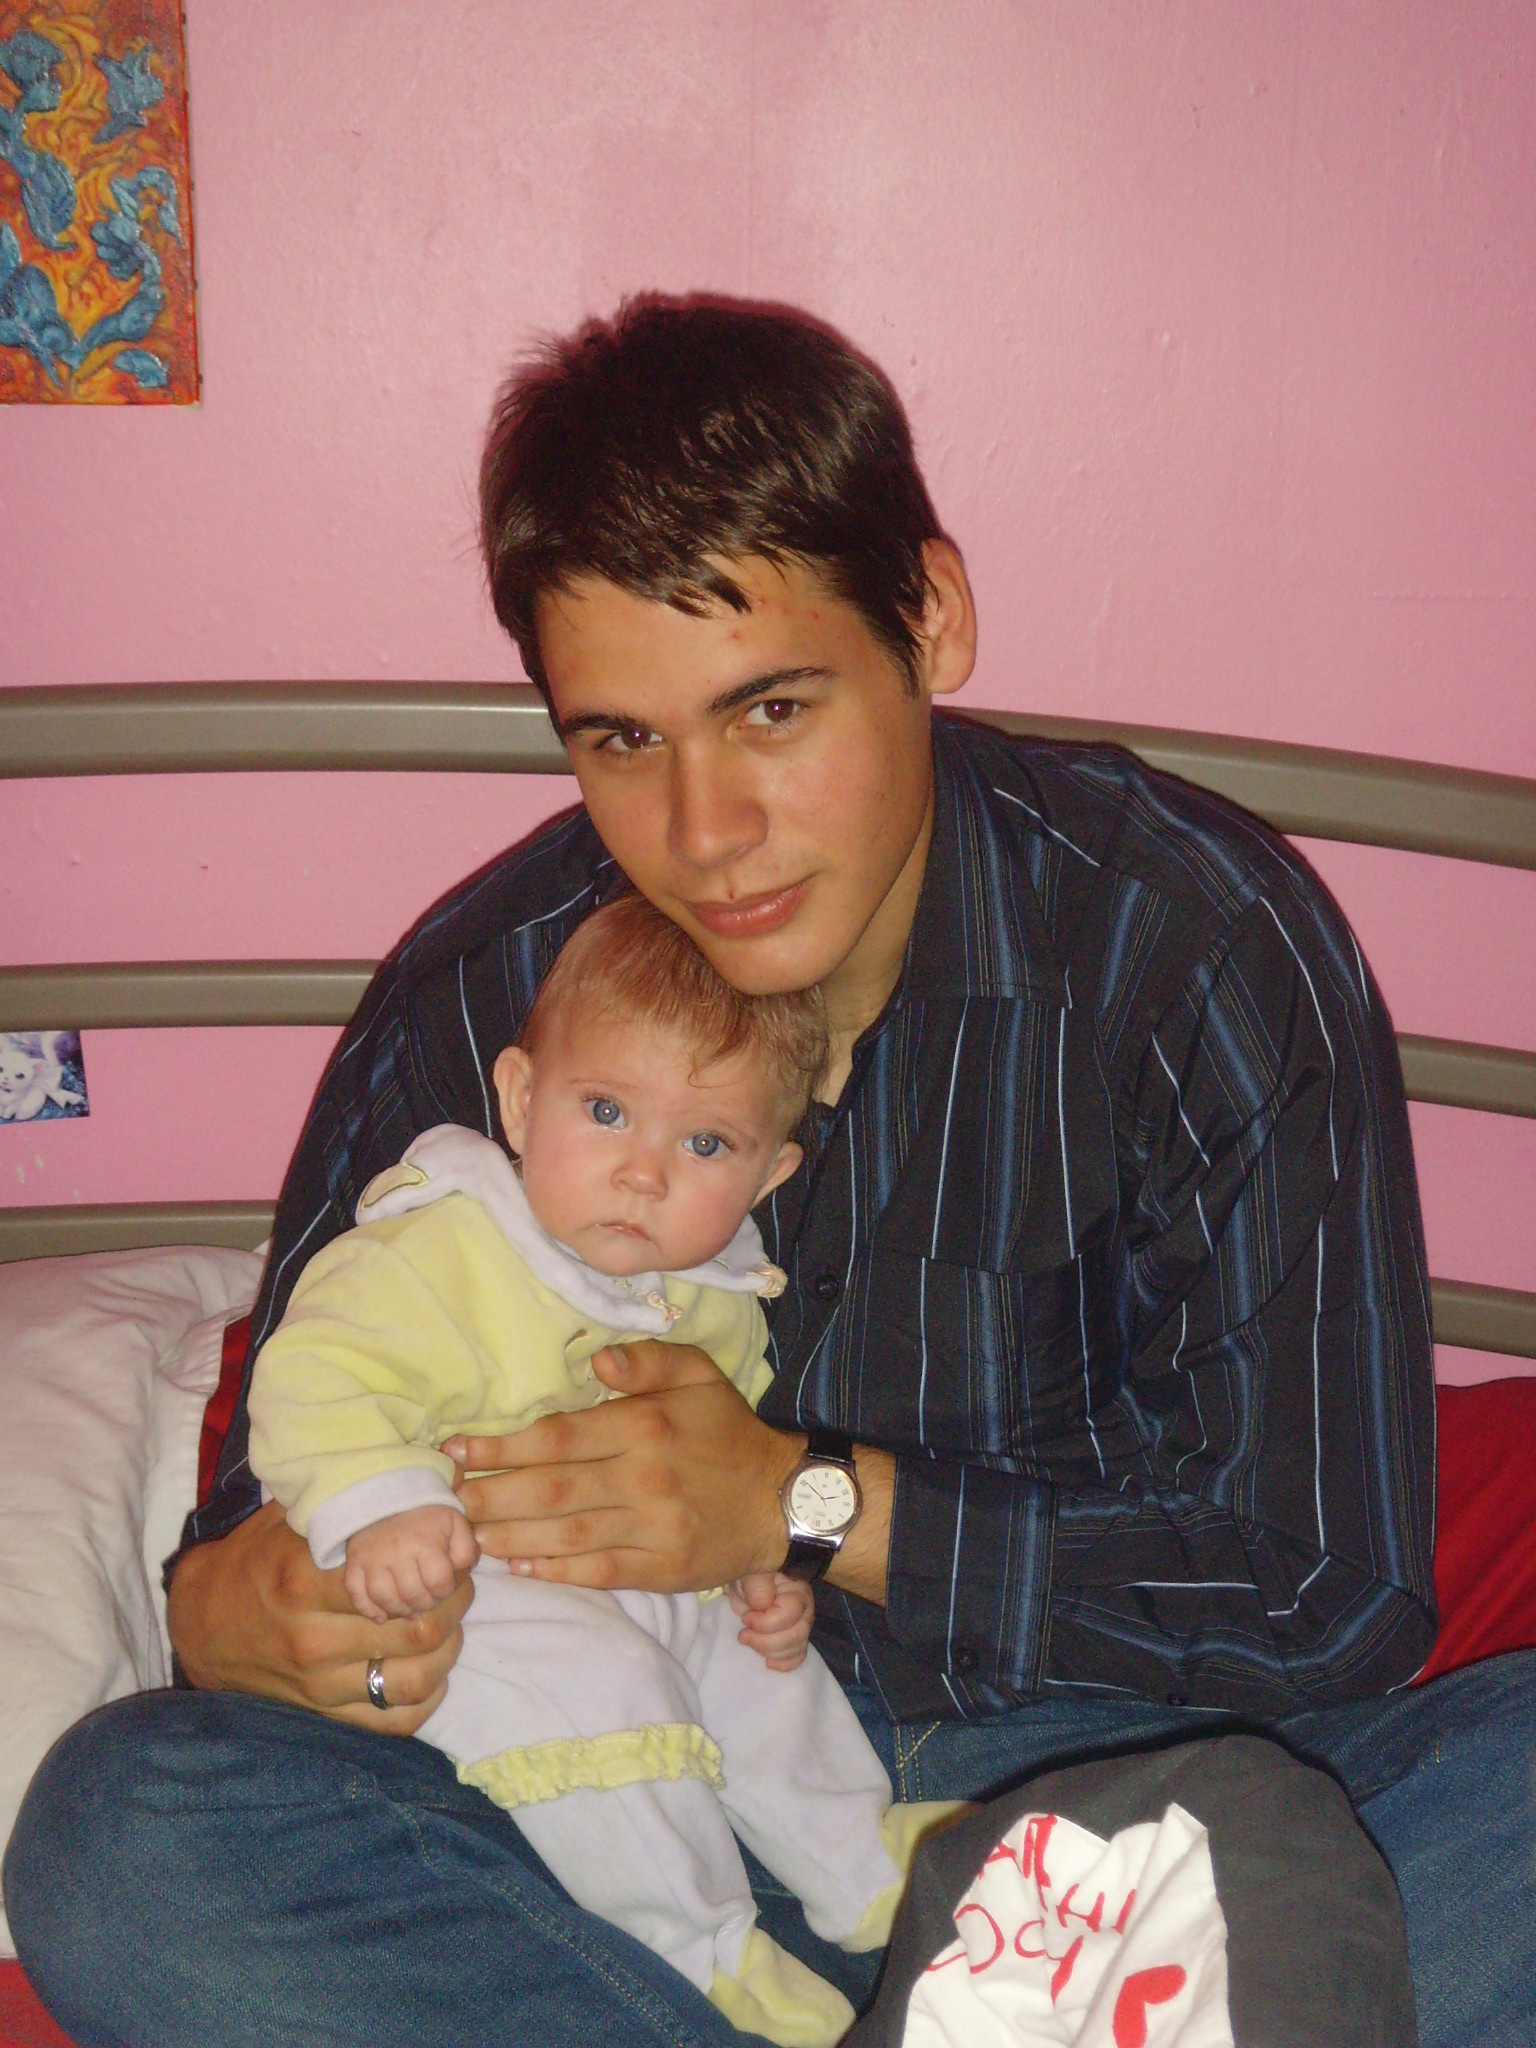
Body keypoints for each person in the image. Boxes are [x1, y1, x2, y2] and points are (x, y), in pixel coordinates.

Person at [7, 295, 1521, 2046]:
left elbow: (1327, 1596)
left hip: (1111, 1790)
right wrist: (258, 1611)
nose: (704, 831)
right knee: (125, 1831)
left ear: (930, 620)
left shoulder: (1191, 947)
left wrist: (799, 1502)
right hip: (594, 1805)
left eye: (771, 709)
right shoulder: (487, 996)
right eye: (621, 740)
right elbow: (239, 1556)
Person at [247, 893, 958, 2047]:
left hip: (642, 1573)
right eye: (608, 1110)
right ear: (521, 1097)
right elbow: (313, 1373)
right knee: (605, 1685)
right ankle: (697, 1949)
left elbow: (726, 1471)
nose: (643, 1173)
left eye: (705, 1143)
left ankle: (860, 1865)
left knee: (760, 1661)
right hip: (471, 1587)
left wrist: (756, 1562)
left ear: (768, 1172)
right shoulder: (443, 1245)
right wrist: (384, 1503)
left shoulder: (720, 1292)